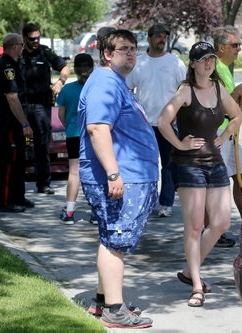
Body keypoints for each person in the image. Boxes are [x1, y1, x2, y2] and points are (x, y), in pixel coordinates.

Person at [78, 29, 158, 328]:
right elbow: (98, 129)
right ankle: (114, 310)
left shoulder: (115, 82)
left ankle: (103, 302)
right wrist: (114, 174)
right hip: (120, 176)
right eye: (123, 49)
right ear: (107, 54)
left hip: (130, 175)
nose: (131, 53)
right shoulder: (105, 82)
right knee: (116, 241)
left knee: (111, 237)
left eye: (133, 49)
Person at [157, 42, 242, 307]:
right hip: (188, 164)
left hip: (215, 162)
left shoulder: (218, 88)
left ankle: (187, 270)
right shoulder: (185, 91)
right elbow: (162, 121)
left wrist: (226, 134)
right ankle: (196, 285)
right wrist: (180, 143)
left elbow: (237, 115)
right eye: (203, 59)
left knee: (221, 223)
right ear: (192, 63)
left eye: (212, 59)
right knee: (194, 226)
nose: (209, 63)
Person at [126, 23, 186, 218]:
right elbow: (128, 89)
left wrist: (177, 112)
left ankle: (166, 203)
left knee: (169, 165)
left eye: (164, 36)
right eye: (158, 36)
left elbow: (183, 89)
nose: (162, 39)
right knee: (145, 164)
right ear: (150, 38)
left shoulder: (175, 62)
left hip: (168, 124)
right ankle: (146, 201)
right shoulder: (139, 62)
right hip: (144, 125)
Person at [211, 25, 242, 248]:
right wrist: (237, 93)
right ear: (221, 47)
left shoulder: (225, 68)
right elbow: (215, 104)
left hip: (230, 131)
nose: (239, 49)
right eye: (235, 45)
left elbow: (230, 103)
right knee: (217, 182)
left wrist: (240, 98)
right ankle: (214, 230)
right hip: (219, 131)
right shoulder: (214, 67)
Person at [20, 23, 70, 194]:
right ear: (24, 37)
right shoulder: (17, 53)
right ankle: (18, 184)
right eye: (32, 38)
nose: (35, 41)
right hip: (22, 105)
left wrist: (60, 81)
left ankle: (43, 183)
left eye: (38, 38)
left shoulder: (45, 51)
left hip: (41, 105)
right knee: (20, 144)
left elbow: (65, 67)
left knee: (42, 144)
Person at [0, 33, 35, 213]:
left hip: (12, 119)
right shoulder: (7, 67)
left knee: (18, 160)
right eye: (22, 45)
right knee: (8, 160)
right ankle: (5, 200)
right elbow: (12, 97)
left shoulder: (11, 65)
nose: (23, 48)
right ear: (15, 46)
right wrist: (25, 124)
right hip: (8, 120)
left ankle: (18, 197)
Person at [57, 54, 94, 224]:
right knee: (96, 172)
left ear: (76, 70)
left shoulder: (67, 90)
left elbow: (61, 114)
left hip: (74, 134)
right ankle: (96, 211)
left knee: (74, 172)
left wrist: (70, 127)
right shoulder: (96, 88)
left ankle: (70, 211)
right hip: (94, 134)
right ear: (92, 68)